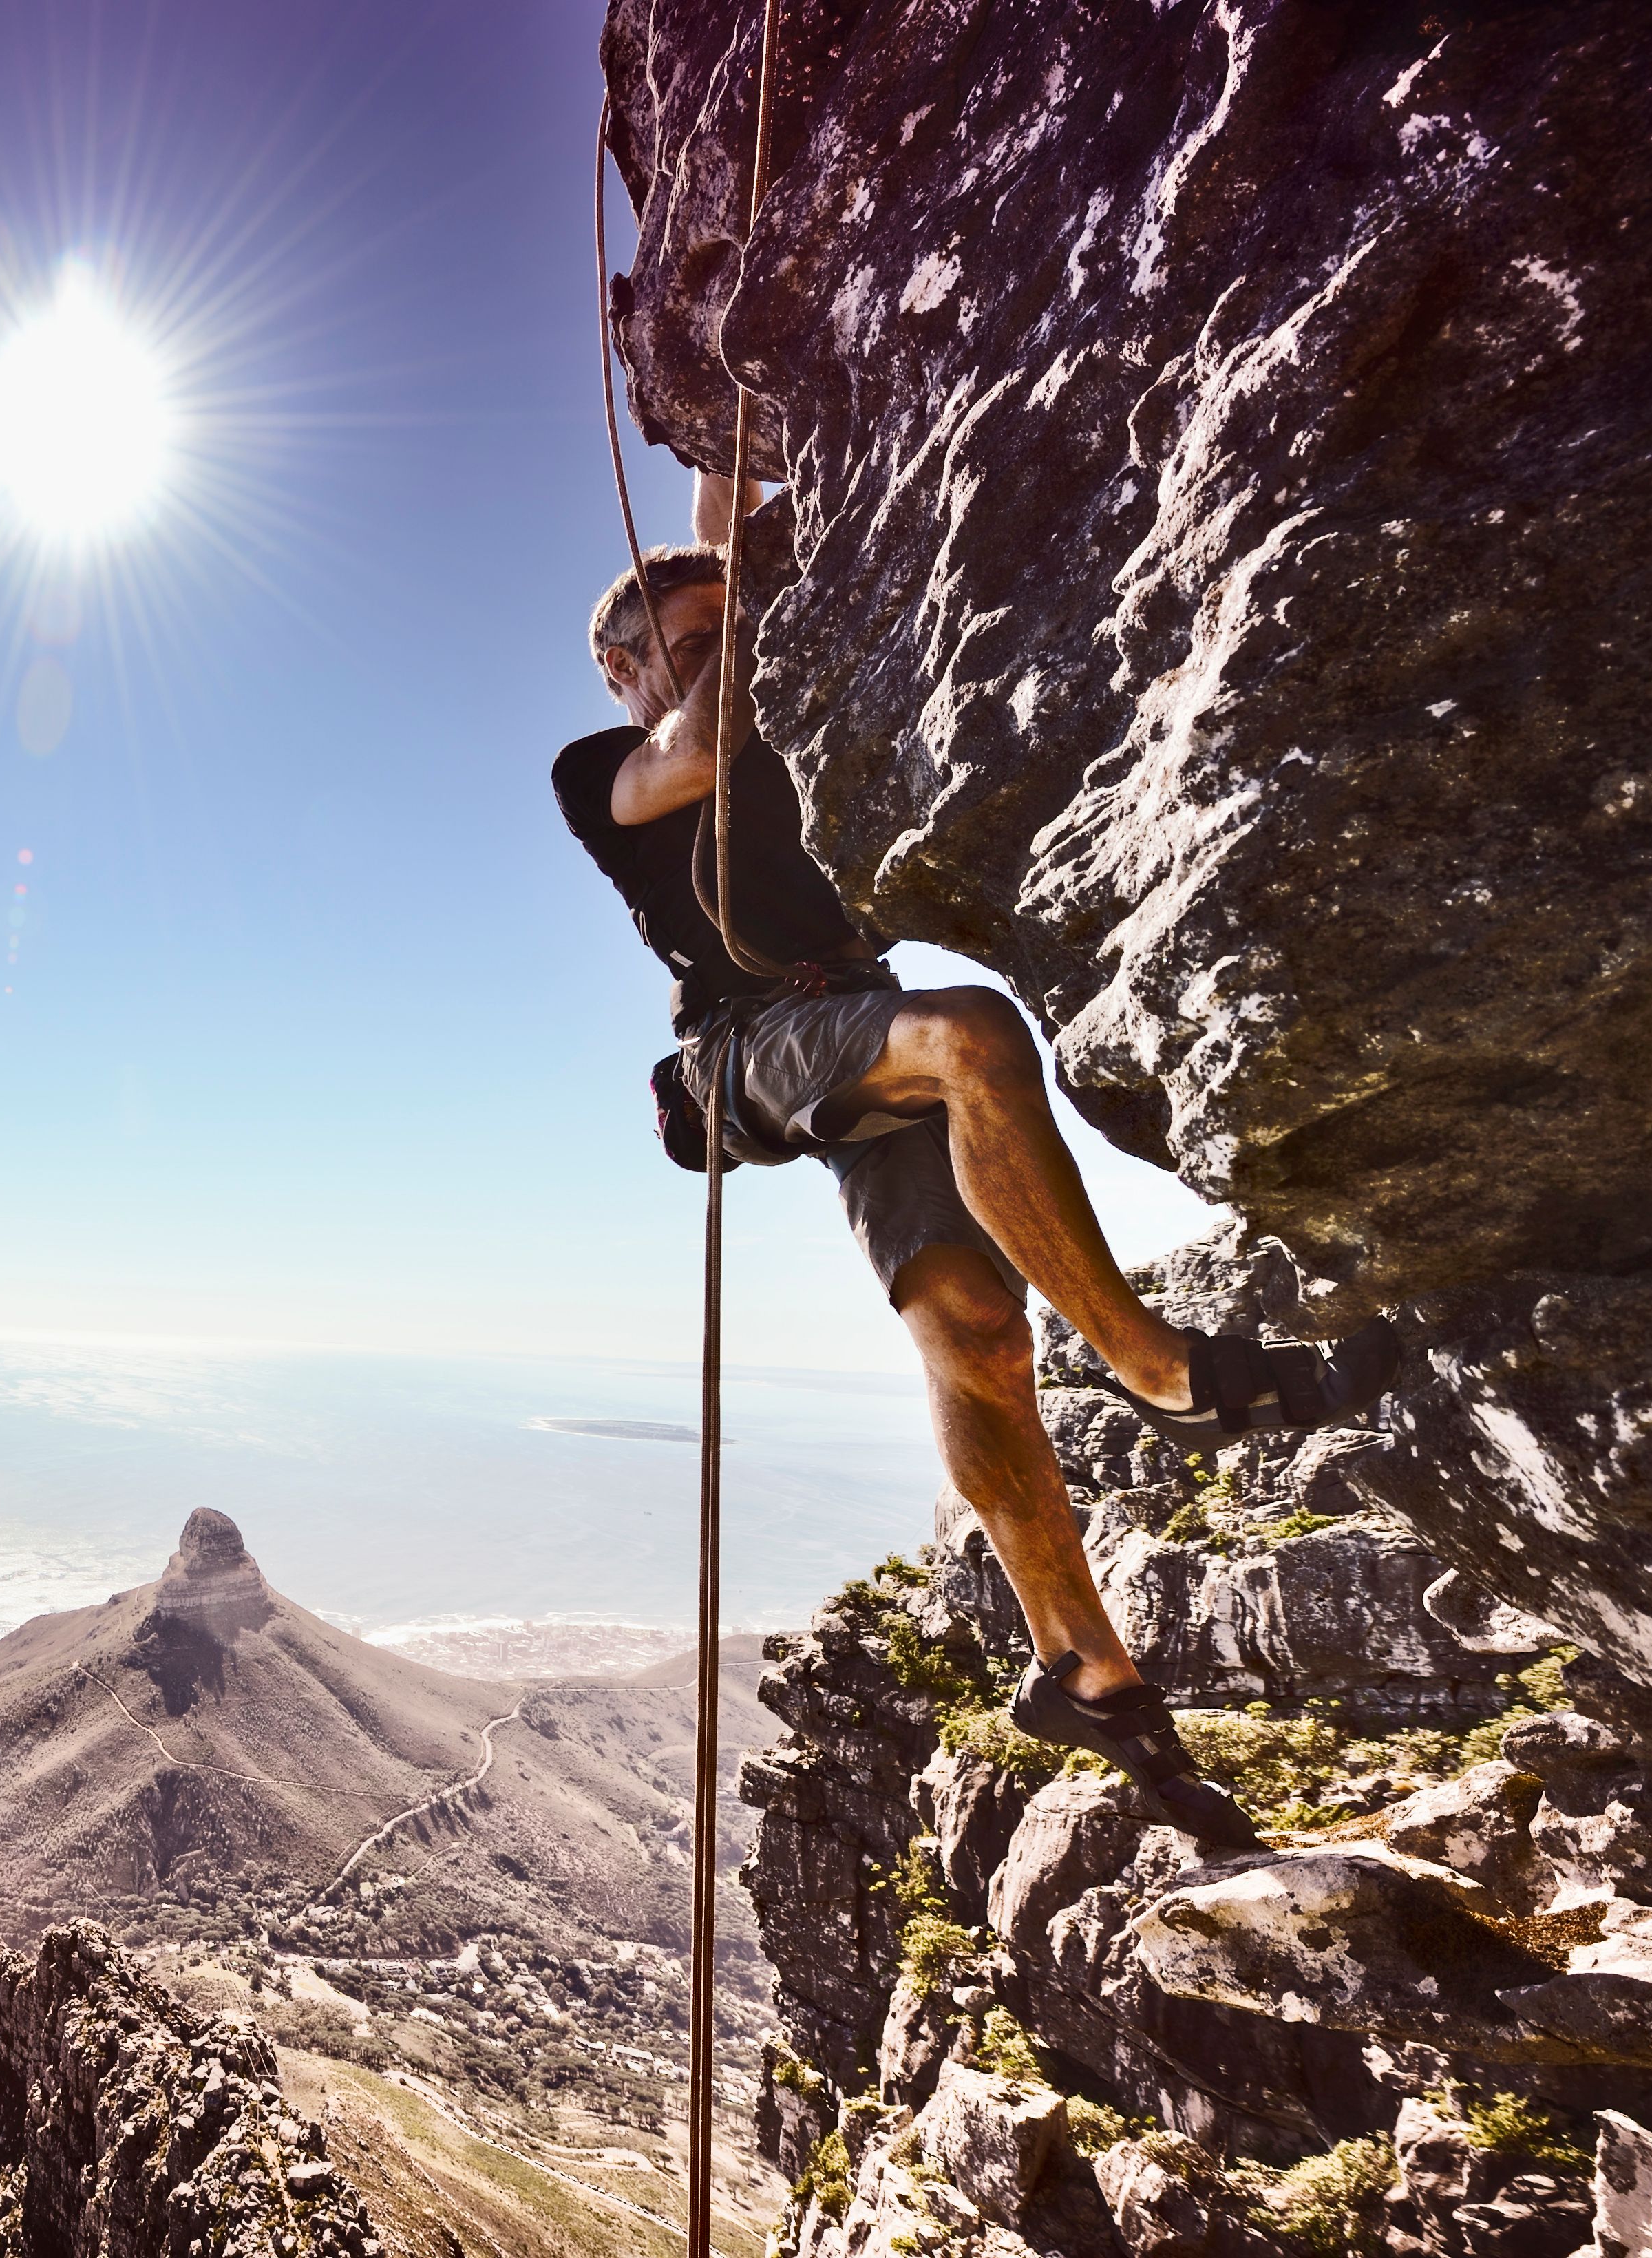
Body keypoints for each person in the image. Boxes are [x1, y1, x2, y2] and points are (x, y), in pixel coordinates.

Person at [553, 473, 1401, 1856]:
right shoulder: (602, 768)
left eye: (724, 636)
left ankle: (1087, 1671)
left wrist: (734, 486)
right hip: (746, 1042)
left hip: (850, 1029)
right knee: (971, 1037)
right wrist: (738, 594)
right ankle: (1160, 1369)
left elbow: (730, 532)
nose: (723, 657)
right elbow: (695, 746)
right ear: (621, 667)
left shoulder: (769, 714)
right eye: (689, 644)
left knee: (976, 1326)